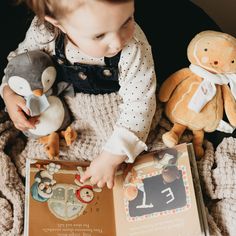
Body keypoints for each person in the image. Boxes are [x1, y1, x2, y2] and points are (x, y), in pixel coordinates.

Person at [0, 0, 157, 189]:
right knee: (40, 159)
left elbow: (140, 106)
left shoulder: (134, 47)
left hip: (117, 114)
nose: (117, 42)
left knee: (139, 161)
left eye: (127, 20)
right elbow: (19, 64)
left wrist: (111, 157)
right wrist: (9, 93)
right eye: (99, 35)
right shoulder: (44, 32)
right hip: (65, 110)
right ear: (59, 23)